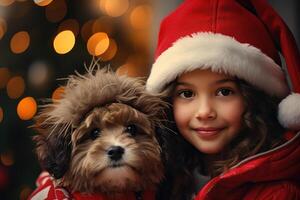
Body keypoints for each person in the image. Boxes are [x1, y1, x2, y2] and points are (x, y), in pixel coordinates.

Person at [146, 0, 300, 199]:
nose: (204, 112)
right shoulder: (157, 180)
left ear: (254, 98)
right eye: (187, 94)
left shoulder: (278, 194)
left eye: (224, 92)